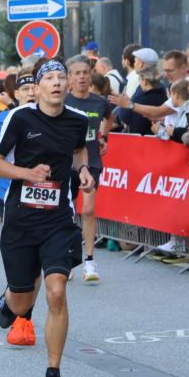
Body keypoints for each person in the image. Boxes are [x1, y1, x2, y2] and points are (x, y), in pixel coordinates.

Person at [0, 60, 94, 377]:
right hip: (21, 220)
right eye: (49, 78)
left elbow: (79, 151)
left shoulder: (77, 121)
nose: (58, 83)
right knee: (21, 304)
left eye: (61, 77)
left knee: (57, 290)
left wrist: (84, 172)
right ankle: (9, 302)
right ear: (37, 86)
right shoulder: (20, 118)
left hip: (58, 221)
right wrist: (26, 174)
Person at [0, 73, 37, 345]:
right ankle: (14, 301)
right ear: (16, 95)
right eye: (25, 89)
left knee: (37, 263)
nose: (31, 92)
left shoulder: (56, 118)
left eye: (35, 86)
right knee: (21, 258)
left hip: (44, 198)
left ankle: (23, 317)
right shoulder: (1, 118)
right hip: (9, 195)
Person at [65, 55, 112, 283]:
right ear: (69, 78)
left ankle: (90, 261)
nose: (82, 77)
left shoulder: (99, 102)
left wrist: (104, 137)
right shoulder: (62, 102)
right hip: (66, 162)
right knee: (67, 211)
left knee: (89, 209)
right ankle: (68, 256)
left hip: (91, 160)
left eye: (85, 72)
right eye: (77, 73)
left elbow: (109, 119)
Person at [111, 64, 166, 135]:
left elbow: (124, 117)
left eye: (139, 79)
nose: (139, 83)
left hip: (139, 138)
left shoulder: (141, 98)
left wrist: (123, 103)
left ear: (145, 82)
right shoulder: (163, 94)